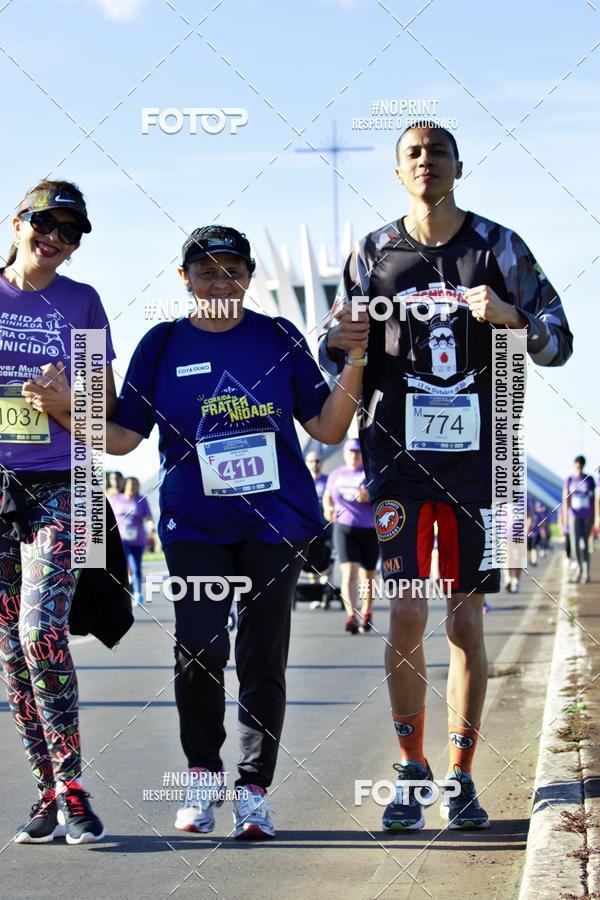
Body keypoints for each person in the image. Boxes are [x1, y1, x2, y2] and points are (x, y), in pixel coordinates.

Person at [36, 225, 366, 840]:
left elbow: (326, 428)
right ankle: (201, 776)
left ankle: (254, 789)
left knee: (262, 656)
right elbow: (124, 438)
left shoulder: (278, 337)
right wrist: (65, 409)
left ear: (249, 277)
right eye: (207, 272)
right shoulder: (162, 344)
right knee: (199, 648)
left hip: (275, 524)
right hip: (195, 526)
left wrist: (356, 361)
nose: (221, 282)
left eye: (232, 271)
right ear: (184, 278)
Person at [319, 122, 573, 831]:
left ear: (459, 166)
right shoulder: (372, 252)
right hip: (396, 461)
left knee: (465, 620)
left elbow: (561, 340)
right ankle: (411, 769)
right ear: (398, 171)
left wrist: (513, 317)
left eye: (437, 152)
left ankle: (460, 775)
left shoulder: (497, 247)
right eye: (413, 153)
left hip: (479, 466)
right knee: (404, 611)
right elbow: (330, 344)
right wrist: (340, 339)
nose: (426, 161)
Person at [0, 180, 117, 844]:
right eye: (46, 223)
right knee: (12, 652)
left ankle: (73, 788)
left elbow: (104, 416)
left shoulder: (83, 302)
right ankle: (46, 795)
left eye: (70, 233)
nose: (56, 239)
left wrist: (69, 400)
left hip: (63, 483)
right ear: (18, 221)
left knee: (39, 630)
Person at [323, 439, 378, 633]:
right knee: (349, 572)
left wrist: (370, 496)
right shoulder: (336, 474)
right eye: (350, 452)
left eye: (357, 452)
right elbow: (328, 496)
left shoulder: (370, 473)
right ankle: (351, 616)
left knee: (368, 575)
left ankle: (367, 611)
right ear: (345, 454)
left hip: (369, 528)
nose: (354, 456)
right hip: (344, 527)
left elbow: (383, 496)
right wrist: (327, 508)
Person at [108, 476, 155, 606]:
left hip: (138, 539)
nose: (133, 487)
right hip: (120, 539)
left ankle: (138, 593)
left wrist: (151, 530)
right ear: (125, 486)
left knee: (136, 567)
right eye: (130, 484)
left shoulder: (141, 500)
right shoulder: (116, 498)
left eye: (135, 484)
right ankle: (121, 593)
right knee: (124, 564)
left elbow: (149, 518)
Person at [304, 450, 333, 610]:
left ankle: (325, 592)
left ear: (321, 463)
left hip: (326, 525)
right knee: (310, 557)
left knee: (326, 557)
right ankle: (315, 594)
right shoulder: (302, 479)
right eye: (311, 461)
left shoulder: (328, 480)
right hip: (308, 526)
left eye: (317, 461)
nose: (314, 464)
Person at [563, 456, 598, 583]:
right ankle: (578, 569)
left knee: (585, 545)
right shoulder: (569, 480)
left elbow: (595, 499)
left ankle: (586, 573)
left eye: (581, 466)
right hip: (574, 516)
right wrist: (565, 518)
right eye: (577, 466)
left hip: (587, 516)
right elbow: (565, 499)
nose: (579, 468)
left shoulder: (589, 480)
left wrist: (595, 518)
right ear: (574, 465)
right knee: (575, 545)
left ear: (583, 466)